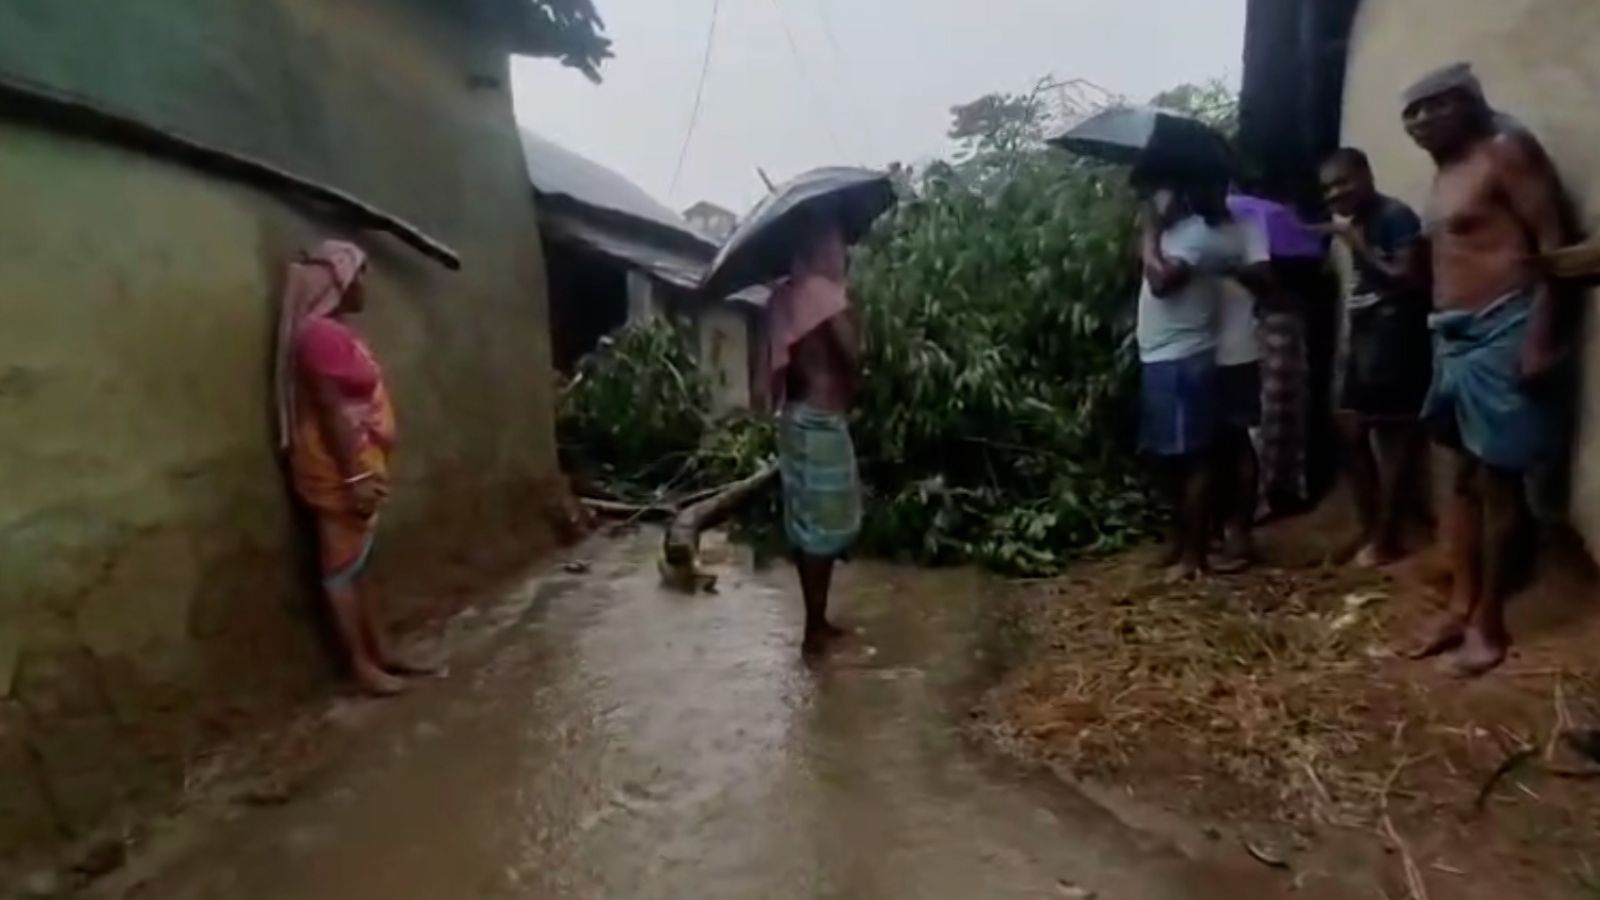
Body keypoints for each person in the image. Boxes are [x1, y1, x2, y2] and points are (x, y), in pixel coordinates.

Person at [1401, 63, 1568, 676]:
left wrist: (1542, 337)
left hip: (1505, 330)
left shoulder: (1505, 151)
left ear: (1467, 102)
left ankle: (1490, 624)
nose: (1418, 122)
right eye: (1410, 114)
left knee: (1499, 483)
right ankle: (1463, 602)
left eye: (1430, 107)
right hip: (1452, 339)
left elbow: (1553, 243)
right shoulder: (1445, 173)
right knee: (1461, 479)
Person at [275, 240, 425, 696]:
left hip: (359, 460)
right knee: (340, 567)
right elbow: (330, 408)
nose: (363, 284)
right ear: (337, 280)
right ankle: (361, 666)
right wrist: (355, 476)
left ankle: (381, 650)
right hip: (339, 466)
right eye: (358, 273)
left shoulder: (337, 333)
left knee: (361, 562)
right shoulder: (319, 336)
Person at [1135, 172, 1272, 579]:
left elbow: (1266, 280)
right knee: (1192, 452)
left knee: (1220, 448)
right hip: (1192, 348)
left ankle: (1227, 540)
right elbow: (1147, 270)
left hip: (1228, 346)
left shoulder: (1233, 228)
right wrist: (1151, 231)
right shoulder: (1182, 229)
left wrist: (1228, 267)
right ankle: (1195, 540)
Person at [1319, 147, 1432, 567]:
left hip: (1397, 338)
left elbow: (1410, 278)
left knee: (1397, 438)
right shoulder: (1363, 221)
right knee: (1349, 428)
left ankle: (1385, 538)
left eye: (1343, 182)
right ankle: (1373, 529)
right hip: (1370, 340)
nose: (1335, 194)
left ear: (1366, 175)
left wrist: (1357, 245)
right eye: (1327, 188)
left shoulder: (1394, 217)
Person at [768, 218, 863, 656]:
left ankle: (815, 622)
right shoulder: (824, 294)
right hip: (822, 422)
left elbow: (768, 373)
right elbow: (853, 353)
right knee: (825, 526)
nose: (841, 252)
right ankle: (814, 631)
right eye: (836, 243)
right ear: (819, 248)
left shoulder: (781, 298)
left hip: (793, 419)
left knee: (807, 524)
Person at [1227, 190, 1325, 523]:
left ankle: (1264, 497)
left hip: (1263, 321)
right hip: (1270, 321)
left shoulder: (1245, 216)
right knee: (1276, 414)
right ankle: (1274, 493)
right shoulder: (1270, 216)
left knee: (1267, 415)